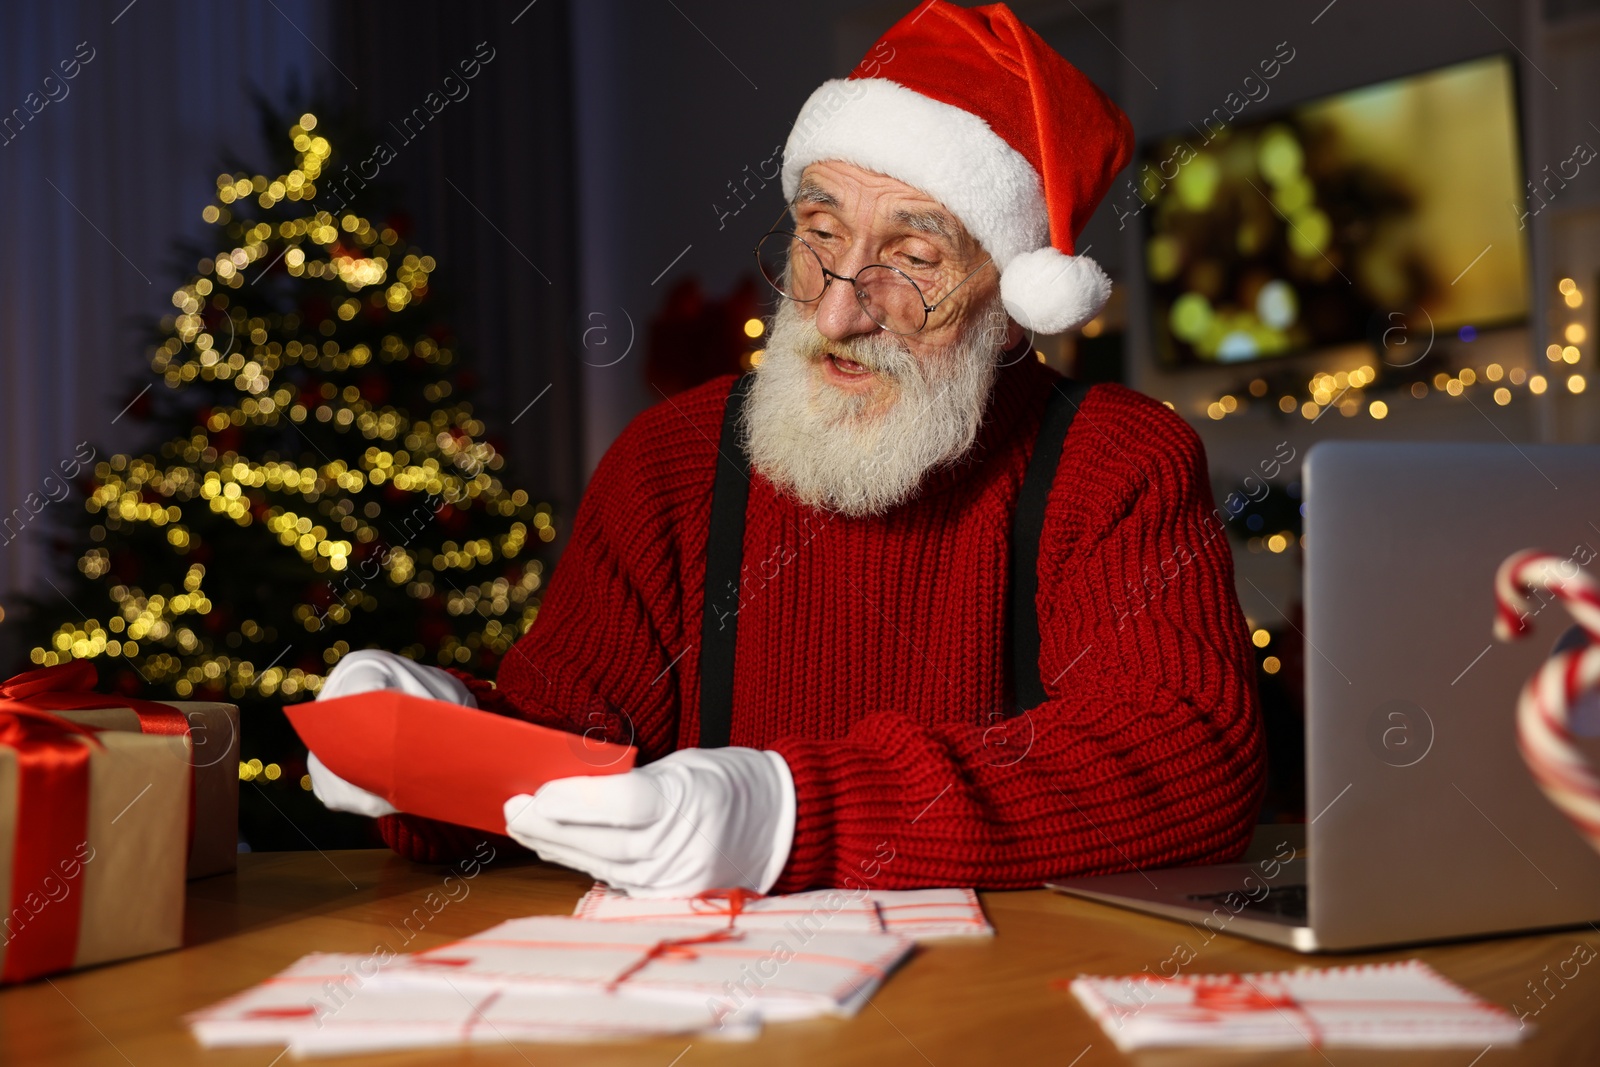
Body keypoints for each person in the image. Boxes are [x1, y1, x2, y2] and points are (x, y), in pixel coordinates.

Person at [307, 0, 1266, 897]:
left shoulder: (1116, 461)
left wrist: (796, 814)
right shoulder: (669, 462)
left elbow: (1189, 759)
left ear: (1013, 305)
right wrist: (434, 737)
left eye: (916, 260)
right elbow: (570, 754)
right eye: (818, 235)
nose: (839, 309)